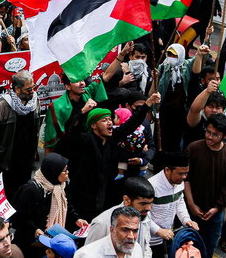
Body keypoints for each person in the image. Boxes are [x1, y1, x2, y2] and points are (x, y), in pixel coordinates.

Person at [66, 93, 160, 222]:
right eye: (104, 120)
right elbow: (72, 133)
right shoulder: (86, 140)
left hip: (105, 193)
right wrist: (83, 112)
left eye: (110, 119)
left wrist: (148, 104)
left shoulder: (112, 138)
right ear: (93, 125)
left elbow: (131, 124)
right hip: (83, 196)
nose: (109, 122)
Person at [11, 153, 86, 258]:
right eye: (64, 171)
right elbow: (19, 218)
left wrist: (77, 219)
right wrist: (34, 229)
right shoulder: (31, 190)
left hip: (49, 243)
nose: (67, 173)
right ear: (54, 172)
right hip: (30, 244)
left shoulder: (62, 186)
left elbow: (68, 206)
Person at [185, 113, 226, 258]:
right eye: (208, 132)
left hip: (215, 212)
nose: (210, 137)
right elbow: (186, 179)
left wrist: (217, 208)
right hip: (192, 210)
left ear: (225, 136)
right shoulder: (193, 148)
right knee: (187, 250)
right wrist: (191, 205)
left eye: (216, 135)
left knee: (207, 250)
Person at [84, 177, 155, 258]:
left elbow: (146, 243)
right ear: (126, 200)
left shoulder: (144, 215)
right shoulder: (102, 223)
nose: (148, 208)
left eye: (150, 203)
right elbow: (87, 257)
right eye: (143, 203)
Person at [0, 69, 40, 196]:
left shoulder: (35, 102)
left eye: (33, 88)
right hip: (7, 162)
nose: (32, 92)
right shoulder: (2, 107)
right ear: (17, 89)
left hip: (26, 159)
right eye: (28, 89)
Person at [147, 152, 199, 258]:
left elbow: (179, 201)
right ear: (167, 170)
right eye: (180, 173)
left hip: (166, 238)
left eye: (186, 173)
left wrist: (186, 220)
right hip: (148, 240)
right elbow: (142, 214)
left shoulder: (179, 182)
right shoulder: (152, 186)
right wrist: (158, 230)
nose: (184, 177)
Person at [71, 206, 143, 258]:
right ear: (112, 230)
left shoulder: (137, 250)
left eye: (135, 231)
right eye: (125, 230)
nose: (131, 236)